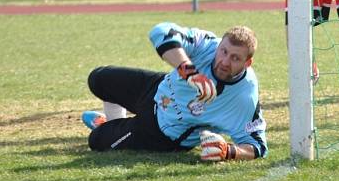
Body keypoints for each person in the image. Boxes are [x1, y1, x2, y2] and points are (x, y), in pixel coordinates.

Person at [81, 22, 267, 162]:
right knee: (98, 79)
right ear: (219, 46)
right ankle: (114, 123)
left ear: (247, 63)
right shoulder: (208, 44)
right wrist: (189, 73)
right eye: (224, 52)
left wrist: (228, 151)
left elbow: (258, 146)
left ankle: (107, 128)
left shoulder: (245, 95)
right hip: (157, 88)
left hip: (163, 133)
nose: (225, 61)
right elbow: (160, 31)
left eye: (235, 58)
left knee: (95, 140)